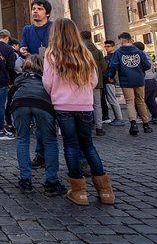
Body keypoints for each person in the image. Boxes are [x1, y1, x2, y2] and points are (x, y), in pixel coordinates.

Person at [43, 18, 115, 205]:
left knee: (71, 146)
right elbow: (93, 81)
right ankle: (106, 192)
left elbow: (47, 83)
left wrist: (59, 93)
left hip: (63, 106)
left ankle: (79, 192)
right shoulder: (86, 54)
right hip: (85, 105)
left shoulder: (52, 55)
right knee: (88, 146)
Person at [11, 55, 66, 196]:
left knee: (22, 140)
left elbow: (13, 90)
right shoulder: (46, 77)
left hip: (20, 103)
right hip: (42, 104)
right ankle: (51, 181)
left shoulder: (20, 77)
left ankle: (25, 180)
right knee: (50, 141)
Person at [19, 0, 53, 169]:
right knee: (40, 116)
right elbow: (23, 47)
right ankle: (40, 153)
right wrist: (22, 51)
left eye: (39, 9)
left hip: (53, 74)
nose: (35, 11)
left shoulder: (54, 28)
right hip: (36, 75)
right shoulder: (27, 29)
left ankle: (81, 158)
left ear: (47, 13)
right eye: (33, 8)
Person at [108, 32, 153, 136]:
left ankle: (133, 124)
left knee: (130, 102)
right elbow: (147, 65)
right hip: (139, 79)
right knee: (141, 101)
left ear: (122, 40)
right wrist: (139, 70)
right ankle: (146, 125)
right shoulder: (139, 52)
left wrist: (111, 76)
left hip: (126, 80)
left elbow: (113, 66)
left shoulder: (118, 53)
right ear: (130, 40)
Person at [80, 31, 108, 136]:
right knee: (97, 104)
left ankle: (86, 125)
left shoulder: (79, 50)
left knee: (84, 104)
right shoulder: (97, 51)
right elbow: (104, 67)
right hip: (97, 81)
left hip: (82, 81)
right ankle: (99, 127)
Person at [134, 42, 157, 125]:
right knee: (151, 100)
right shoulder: (148, 55)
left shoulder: (138, 56)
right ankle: (155, 117)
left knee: (140, 100)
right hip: (152, 79)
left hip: (144, 79)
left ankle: (141, 117)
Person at [103, 40, 125, 126]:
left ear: (113, 47)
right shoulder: (108, 57)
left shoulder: (114, 56)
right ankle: (118, 118)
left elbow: (114, 68)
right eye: (105, 46)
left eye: (108, 46)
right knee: (111, 99)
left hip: (110, 80)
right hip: (107, 80)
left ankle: (119, 118)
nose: (106, 48)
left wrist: (111, 77)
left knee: (112, 100)